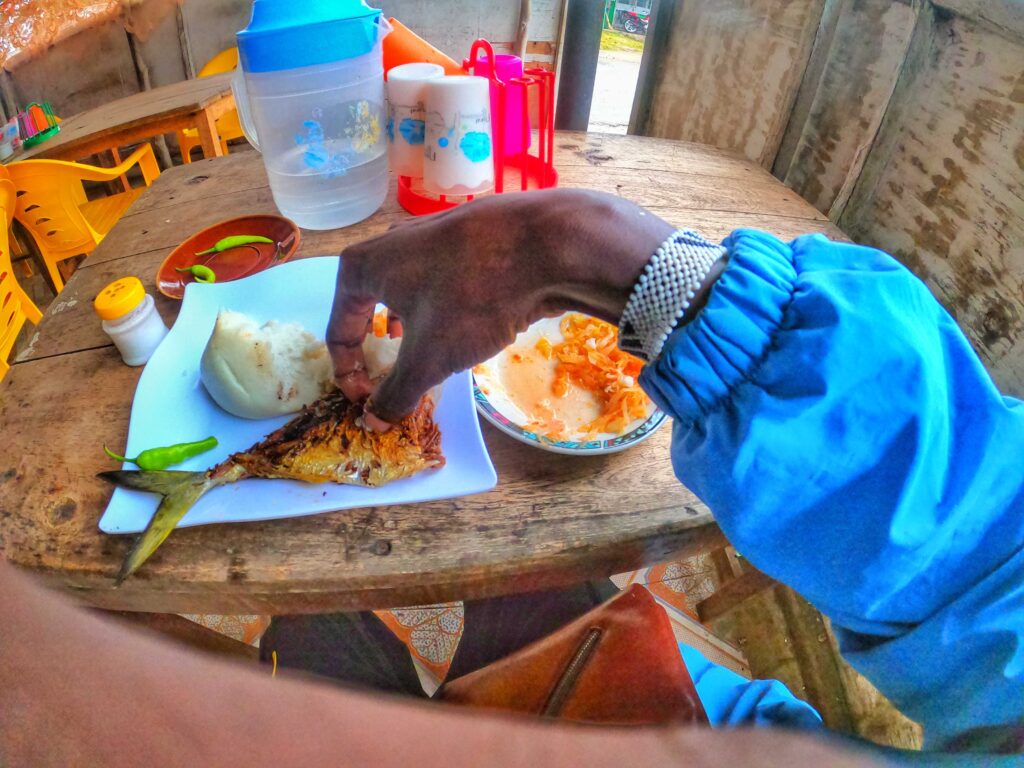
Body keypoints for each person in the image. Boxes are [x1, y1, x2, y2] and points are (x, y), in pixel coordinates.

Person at [1, 189, 1020, 765]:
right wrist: (591, 252)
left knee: (317, 633)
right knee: (356, 614)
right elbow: (980, 558)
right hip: (724, 718)